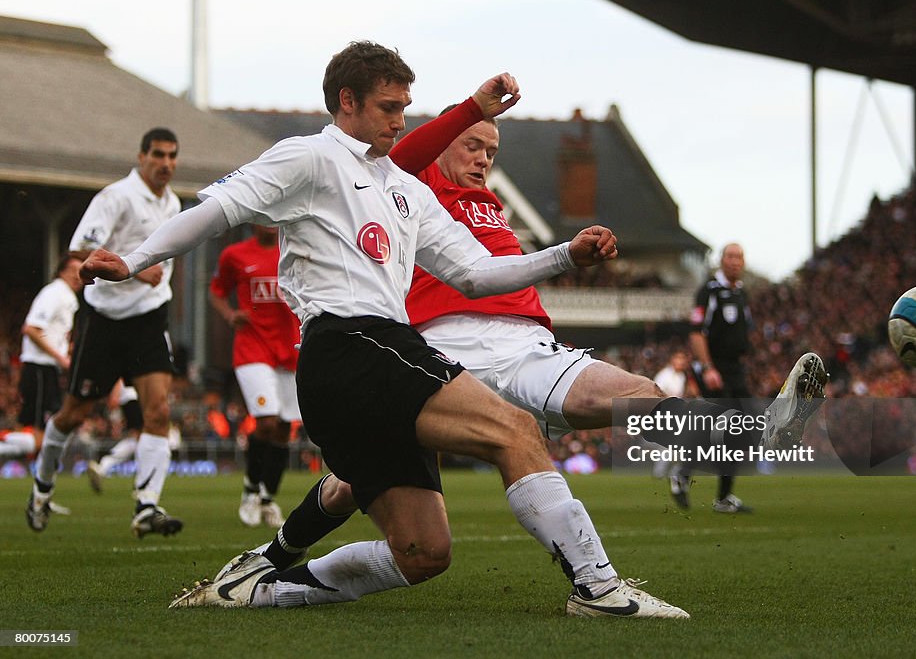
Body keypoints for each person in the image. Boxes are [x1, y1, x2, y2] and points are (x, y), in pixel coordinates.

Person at [186, 68, 827, 614]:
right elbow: (393, 162)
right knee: (358, 476)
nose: (483, 155)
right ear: (438, 142)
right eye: (471, 143)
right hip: (445, 348)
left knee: (637, 392)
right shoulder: (406, 186)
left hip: (528, 349)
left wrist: (568, 255)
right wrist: (467, 109)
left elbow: (501, 272)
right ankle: (272, 562)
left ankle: (755, 435)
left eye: (491, 147)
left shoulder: (491, 207)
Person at [81, 42, 687, 619]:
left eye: (404, 109)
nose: (398, 122)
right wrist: (133, 260)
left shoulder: (405, 190)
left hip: (370, 364)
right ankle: (599, 588)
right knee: (516, 429)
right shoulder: (309, 157)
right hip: (350, 344)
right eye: (388, 108)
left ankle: (258, 588)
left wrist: (564, 257)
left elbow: (475, 273)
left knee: (424, 554)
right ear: (347, 101)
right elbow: (217, 210)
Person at [27, 128, 184, 538]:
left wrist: (154, 275)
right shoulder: (116, 197)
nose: (166, 163)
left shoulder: (173, 203)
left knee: (158, 413)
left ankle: (146, 507)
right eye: (158, 155)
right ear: (141, 156)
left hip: (150, 316)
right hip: (105, 320)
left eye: (172, 156)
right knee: (72, 414)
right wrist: (135, 264)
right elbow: (81, 250)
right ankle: (42, 486)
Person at [209, 224, 301, 528]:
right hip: (252, 349)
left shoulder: (297, 249)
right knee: (266, 421)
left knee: (283, 428)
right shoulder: (235, 255)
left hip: (290, 351)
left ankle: (267, 498)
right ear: (252, 220)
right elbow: (217, 290)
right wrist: (229, 314)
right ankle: (250, 491)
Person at [672, 242, 756, 513]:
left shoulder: (741, 293)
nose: (734, 261)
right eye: (730, 256)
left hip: (735, 370)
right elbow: (697, 331)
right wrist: (707, 368)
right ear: (721, 260)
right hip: (715, 368)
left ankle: (721, 496)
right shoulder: (709, 291)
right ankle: (683, 474)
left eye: (739, 257)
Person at [0, 255, 83, 465]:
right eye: (74, 271)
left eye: (81, 272)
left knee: (44, 431)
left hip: (48, 369)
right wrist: (61, 357)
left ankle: (41, 483)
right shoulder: (55, 293)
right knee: (38, 433)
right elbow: (31, 329)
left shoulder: (68, 298)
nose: (78, 277)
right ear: (61, 271)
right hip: (39, 368)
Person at [86, 381, 144, 492]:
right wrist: (115, 394)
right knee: (142, 438)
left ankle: (103, 466)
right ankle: (142, 481)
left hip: (131, 397)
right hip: (134, 396)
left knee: (138, 439)